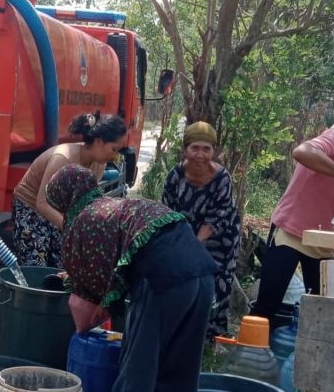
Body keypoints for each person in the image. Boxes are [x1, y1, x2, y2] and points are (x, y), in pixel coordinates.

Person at [47, 165, 217, 392]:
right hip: (202, 271)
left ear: (63, 198)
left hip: (161, 279)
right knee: (180, 373)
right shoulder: (113, 205)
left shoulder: (80, 223)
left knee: (138, 371)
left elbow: (85, 310)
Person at [251, 128, 334, 327]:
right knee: (267, 307)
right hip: (292, 231)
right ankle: (249, 355)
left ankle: (297, 356)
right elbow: (302, 152)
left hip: (326, 241)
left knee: (320, 313)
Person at [12, 112, 127, 267]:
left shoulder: (99, 164)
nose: (115, 156)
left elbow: (85, 201)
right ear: (99, 141)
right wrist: (71, 227)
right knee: (36, 265)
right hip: (31, 206)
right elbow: (42, 203)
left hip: (58, 211)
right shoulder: (63, 158)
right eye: (114, 149)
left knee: (63, 265)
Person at [162, 121, 240, 338]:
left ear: (214, 151)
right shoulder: (175, 175)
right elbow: (166, 212)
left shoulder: (222, 178)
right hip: (185, 234)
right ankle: (184, 330)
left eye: (207, 149)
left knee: (218, 279)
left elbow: (216, 218)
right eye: (195, 148)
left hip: (220, 235)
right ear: (185, 149)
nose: (200, 155)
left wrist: (195, 246)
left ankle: (213, 337)